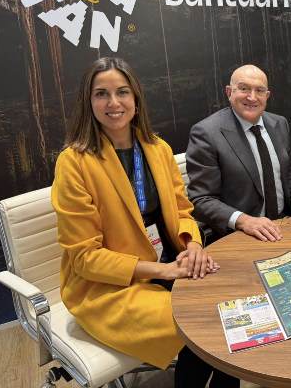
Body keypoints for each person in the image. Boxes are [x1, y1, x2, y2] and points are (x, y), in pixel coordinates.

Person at [51, 57, 239, 388]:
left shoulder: (158, 149)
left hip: (170, 264)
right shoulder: (74, 163)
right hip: (109, 287)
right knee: (202, 321)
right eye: (101, 94)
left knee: (232, 312)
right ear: (88, 102)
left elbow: (182, 210)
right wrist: (165, 271)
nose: (113, 102)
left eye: (122, 92)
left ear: (136, 99)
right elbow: (84, 258)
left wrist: (193, 245)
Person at [186, 64, 291, 242]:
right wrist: (244, 221)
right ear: (229, 92)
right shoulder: (206, 133)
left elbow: (288, 173)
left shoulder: (279, 124)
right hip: (240, 234)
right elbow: (201, 199)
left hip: (284, 226)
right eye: (244, 89)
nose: (252, 97)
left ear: (267, 96)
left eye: (259, 90)